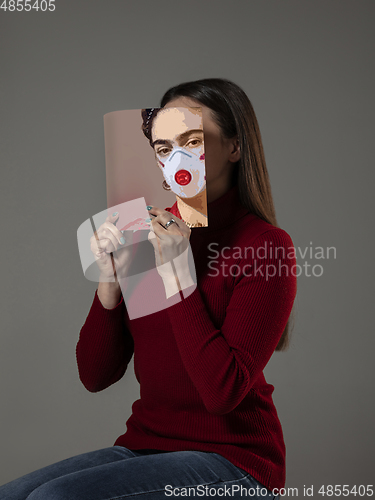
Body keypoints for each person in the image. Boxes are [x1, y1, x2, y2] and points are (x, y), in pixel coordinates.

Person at [0, 78, 297, 499]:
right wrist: (109, 281)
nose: (175, 157)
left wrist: (178, 271)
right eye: (163, 147)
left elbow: (221, 393)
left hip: (235, 461)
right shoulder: (148, 228)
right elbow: (95, 375)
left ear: (234, 147)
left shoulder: (265, 245)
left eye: (191, 140)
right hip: (146, 446)